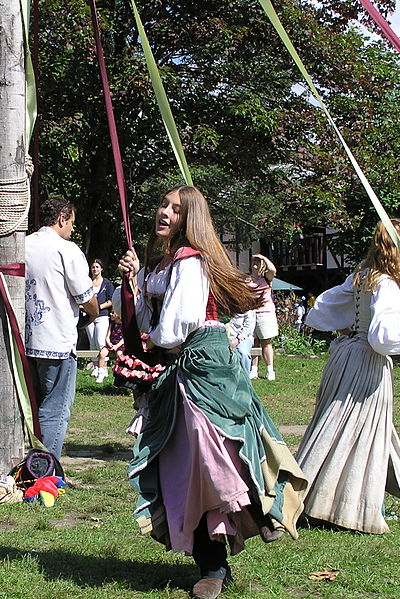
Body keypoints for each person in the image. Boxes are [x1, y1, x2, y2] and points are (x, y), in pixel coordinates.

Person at [119, 185, 306, 599]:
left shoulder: (189, 262)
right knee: (189, 463)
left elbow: (173, 328)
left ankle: (248, 524)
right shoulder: (165, 262)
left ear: (191, 219)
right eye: (163, 205)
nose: (164, 213)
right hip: (185, 368)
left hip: (201, 366)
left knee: (211, 453)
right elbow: (154, 320)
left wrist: (153, 337)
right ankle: (219, 554)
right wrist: (133, 283)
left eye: (175, 209)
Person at [297, 218, 400, 534]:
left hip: (347, 355)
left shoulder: (361, 277)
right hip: (366, 363)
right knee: (352, 429)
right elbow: (384, 338)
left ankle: (314, 497)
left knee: (339, 424)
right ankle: (341, 506)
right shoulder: (386, 284)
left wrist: (349, 329)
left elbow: (322, 309)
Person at [25, 197, 98, 459]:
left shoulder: (21, 245)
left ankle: (31, 463)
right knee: (55, 410)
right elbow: (85, 297)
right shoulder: (66, 250)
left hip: (24, 341)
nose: (72, 230)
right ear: (61, 218)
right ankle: (45, 470)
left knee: (33, 407)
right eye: (72, 224)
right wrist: (94, 313)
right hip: (56, 340)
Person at [248, 253, 278, 380]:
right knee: (253, 343)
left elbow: (273, 270)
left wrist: (263, 257)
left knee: (266, 342)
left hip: (265, 313)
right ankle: (253, 370)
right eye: (254, 260)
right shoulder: (247, 280)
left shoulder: (266, 278)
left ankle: (270, 370)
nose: (256, 262)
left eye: (258, 261)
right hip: (251, 313)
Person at [85, 259, 115, 383]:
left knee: (100, 341)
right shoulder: (87, 283)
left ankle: (104, 368)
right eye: (93, 267)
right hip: (89, 316)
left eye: (97, 267)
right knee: (92, 341)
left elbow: (111, 300)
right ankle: (96, 367)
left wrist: (98, 307)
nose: (95, 269)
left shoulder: (107, 284)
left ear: (101, 269)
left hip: (102, 315)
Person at [226, 309, 256, 377]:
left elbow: (249, 327)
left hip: (244, 338)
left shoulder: (248, 307)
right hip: (225, 337)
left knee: (243, 352)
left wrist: (238, 339)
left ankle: (245, 378)